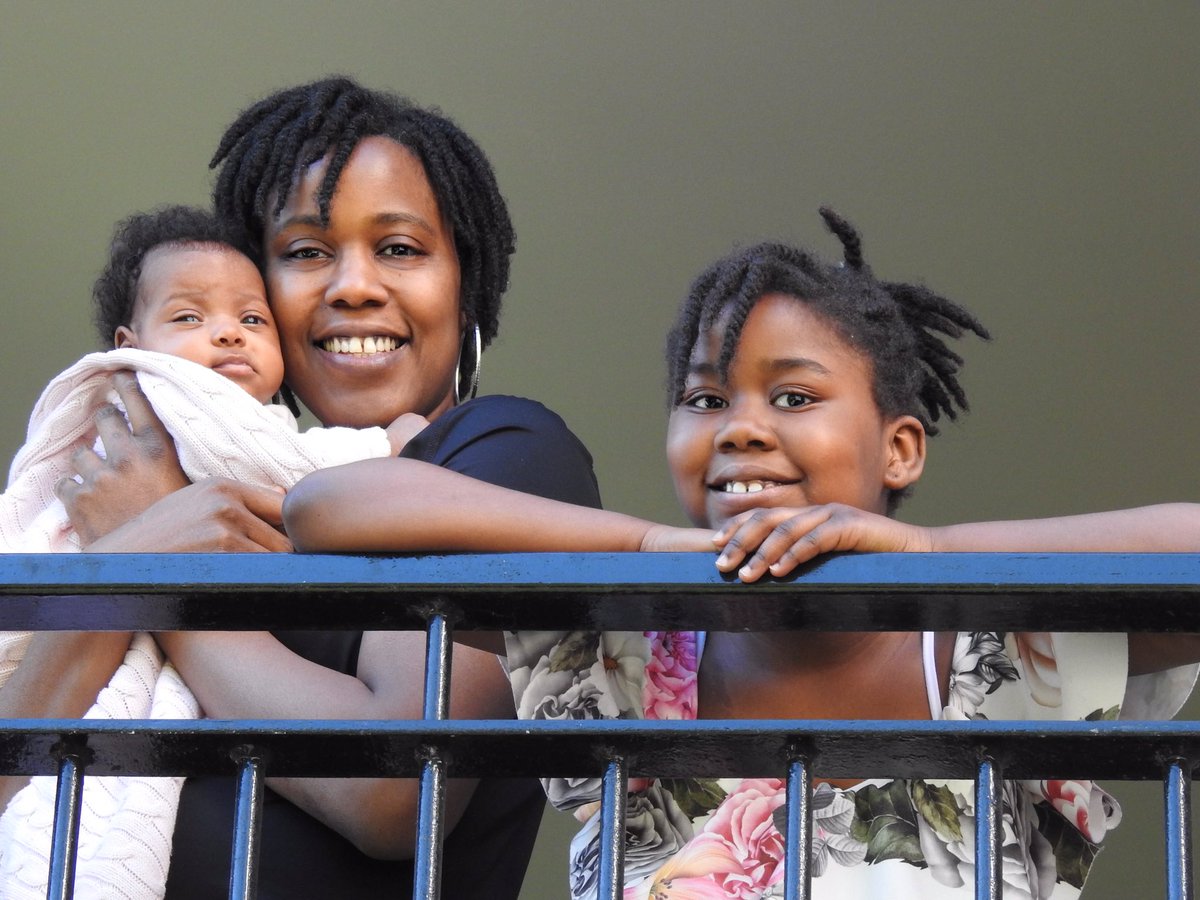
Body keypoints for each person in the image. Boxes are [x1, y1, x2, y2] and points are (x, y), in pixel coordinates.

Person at [281, 208, 1200, 899]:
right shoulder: (628, 658)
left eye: (794, 398)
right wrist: (647, 548)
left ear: (901, 449)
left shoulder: (990, 653)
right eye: (707, 399)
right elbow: (332, 508)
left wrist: (926, 553)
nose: (742, 431)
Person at [34, 77, 604, 899]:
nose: (353, 286)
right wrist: (131, 549)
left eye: (401, 248)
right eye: (305, 252)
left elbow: (392, 789)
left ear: (465, 288)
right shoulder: (154, 492)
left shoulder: (498, 453)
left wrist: (160, 581)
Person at [0, 204, 428, 898]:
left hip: (153, 653)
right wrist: (395, 445)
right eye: (190, 318)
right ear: (130, 341)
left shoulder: (265, 430)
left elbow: (289, 459)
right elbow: (296, 475)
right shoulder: (135, 417)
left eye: (252, 320)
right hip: (101, 655)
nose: (228, 332)